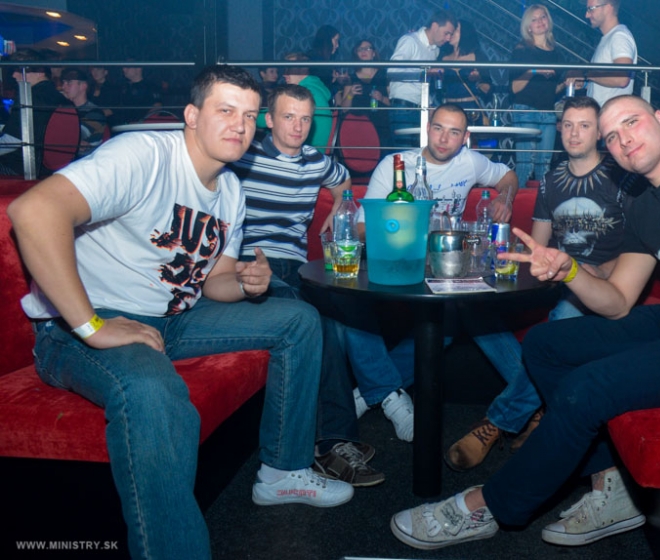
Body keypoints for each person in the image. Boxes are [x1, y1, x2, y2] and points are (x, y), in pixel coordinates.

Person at [389, 94, 660, 551]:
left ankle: (490, 506)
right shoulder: (643, 206)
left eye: (632, 122)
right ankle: (609, 476)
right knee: (544, 344)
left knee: (587, 388)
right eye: (612, 137)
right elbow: (618, 301)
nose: (624, 140)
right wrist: (570, 271)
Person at [7, 64, 354, 560]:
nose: (239, 125)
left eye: (249, 115)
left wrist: (246, 282)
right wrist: (91, 325)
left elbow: (214, 282)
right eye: (225, 110)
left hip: (176, 318)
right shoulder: (144, 154)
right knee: (155, 390)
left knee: (299, 319)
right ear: (192, 115)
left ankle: (282, 472)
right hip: (84, 322)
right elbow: (34, 211)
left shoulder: (230, 190)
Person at [444, 95, 647, 471]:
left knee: (565, 315)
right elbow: (537, 244)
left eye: (584, 126)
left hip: (603, 284)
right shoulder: (551, 181)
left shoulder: (623, 179)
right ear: (559, 129)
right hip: (555, 279)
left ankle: (498, 421)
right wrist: (500, 263)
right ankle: (539, 407)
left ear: (598, 133)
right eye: (568, 125)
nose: (574, 133)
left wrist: (594, 271)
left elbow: (640, 249)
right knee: (472, 306)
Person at [228, 82, 384, 488]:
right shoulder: (244, 155)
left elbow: (343, 180)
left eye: (305, 119)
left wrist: (341, 205)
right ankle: (332, 443)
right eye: (288, 117)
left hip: (299, 268)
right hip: (253, 265)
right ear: (269, 120)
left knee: (334, 317)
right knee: (315, 322)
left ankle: (334, 440)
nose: (297, 126)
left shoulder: (316, 161)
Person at [347, 103, 519, 443]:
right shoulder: (396, 165)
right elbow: (361, 228)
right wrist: (403, 229)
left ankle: (374, 390)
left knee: (454, 320)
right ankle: (384, 392)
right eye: (438, 128)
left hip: (446, 267)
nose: (443, 138)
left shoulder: (470, 162)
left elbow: (508, 176)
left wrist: (507, 198)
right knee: (351, 302)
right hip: (399, 262)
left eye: (454, 132)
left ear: (465, 137)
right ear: (427, 128)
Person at [509, 4, 569, 188]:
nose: (540, 22)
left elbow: (551, 90)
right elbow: (514, 88)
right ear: (528, 26)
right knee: (525, 165)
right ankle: (514, 203)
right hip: (525, 110)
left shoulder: (557, 54)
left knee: (544, 166)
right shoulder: (521, 50)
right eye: (534, 19)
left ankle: (542, 204)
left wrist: (566, 84)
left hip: (548, 112)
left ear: (548, 20)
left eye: (543, 17)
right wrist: (533, 71)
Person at [388, 10, 457, 148]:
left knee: (419, 152)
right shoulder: (410, 41)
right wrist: (425, 72)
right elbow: (392, 71)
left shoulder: (435, 50)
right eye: (447, 33)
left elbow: (424, 82)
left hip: (420, 108)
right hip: (403, 107)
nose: (449, 38)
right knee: (404, 152)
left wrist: (430, 104)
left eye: (451, 34)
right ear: (435, 26)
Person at [0, 48, 73, 175]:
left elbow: (13, 141)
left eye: (20, 70)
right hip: (45, 168)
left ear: (39, 72)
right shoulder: (56, 96)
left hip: (20, 167)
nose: (14, 75)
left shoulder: (29, 97)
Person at [565, 0, 637, 107]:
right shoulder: (609, 37)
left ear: (608, 8)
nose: (587, 15)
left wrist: (586, 75)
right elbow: (607, 85)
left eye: (591, 9)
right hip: (604, 111)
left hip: (612, 113)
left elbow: (622, 78)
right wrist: (584, 83)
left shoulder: (619, 37)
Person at [336, 38, 391, 145]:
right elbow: (343, 109)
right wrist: (350, 94)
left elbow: (393, 103)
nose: (364, 51)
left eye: (367, 48)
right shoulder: (351, 78)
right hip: (359, 128)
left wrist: (382, 98)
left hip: (382, 127)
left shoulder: (384, 75)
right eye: (360, 49)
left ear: (373, 53)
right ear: (356, 54)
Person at [438, 20, 492, 124]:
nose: (451, 32)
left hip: (471, 110)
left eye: (456, 29)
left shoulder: (477, 56)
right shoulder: (442, 57)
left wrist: (478, 80)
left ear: (465, 33)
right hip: (449, 108)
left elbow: (488, 89)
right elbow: (437, 89)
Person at [282, 52, 333, 153]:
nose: (284, 74)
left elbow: (270, 117)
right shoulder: (315, 88)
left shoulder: (305, 92)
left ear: (302, 70)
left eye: (289, 69)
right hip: (314, 150)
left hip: (310, 153)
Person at [59, 68, 107, 158]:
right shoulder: (64, 109)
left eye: (69, 83)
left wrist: (72, 142)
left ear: (83, 86)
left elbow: (75, 135)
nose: (63, 87)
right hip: (70, 160)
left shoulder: (94, 112)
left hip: (87, 161)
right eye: (63, 83)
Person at [307, 24, 346, 94]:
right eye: (336, 40)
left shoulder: (325, 60)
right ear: (327, 41)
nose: (337, 45)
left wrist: (334, 80)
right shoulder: (315, 61)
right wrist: (333, 80)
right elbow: (323, 91)